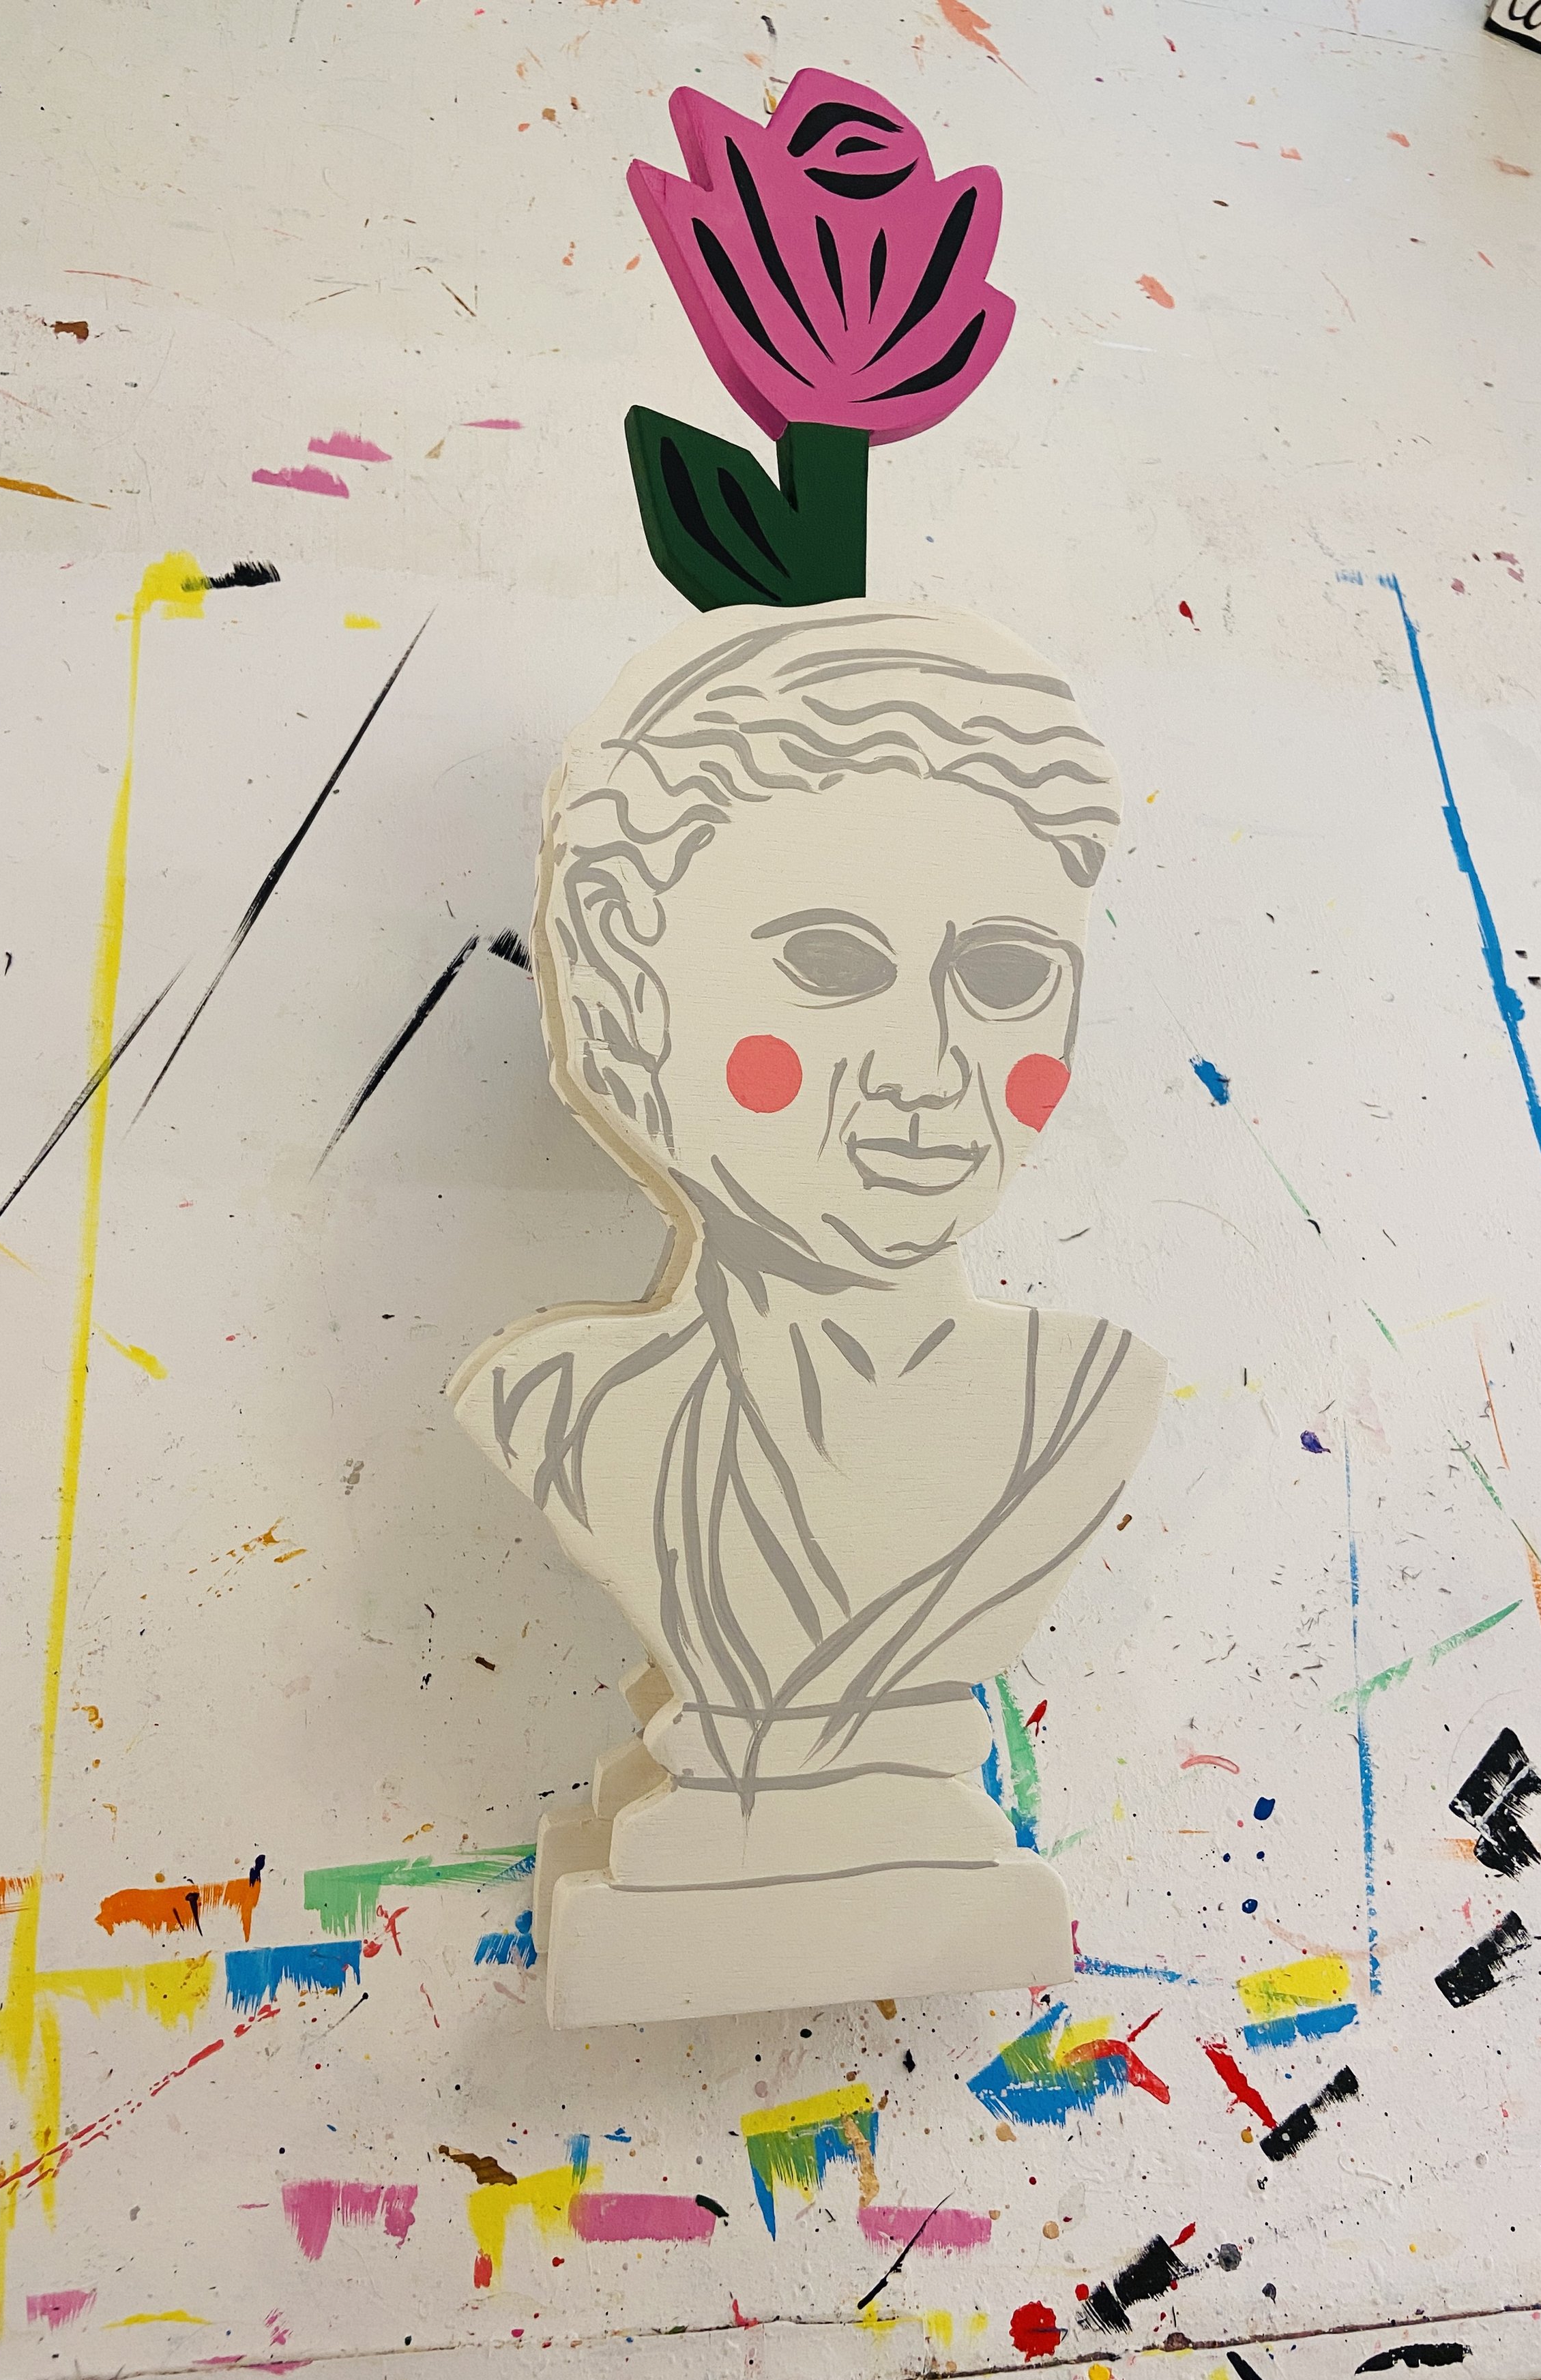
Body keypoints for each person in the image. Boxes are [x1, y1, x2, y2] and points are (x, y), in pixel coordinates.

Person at [452, 600, 1164, 1982]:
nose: (927, 1068)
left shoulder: (1084, 1406)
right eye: (830, 965)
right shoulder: (560, 1414)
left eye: (1005, 975)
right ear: (626, 972)